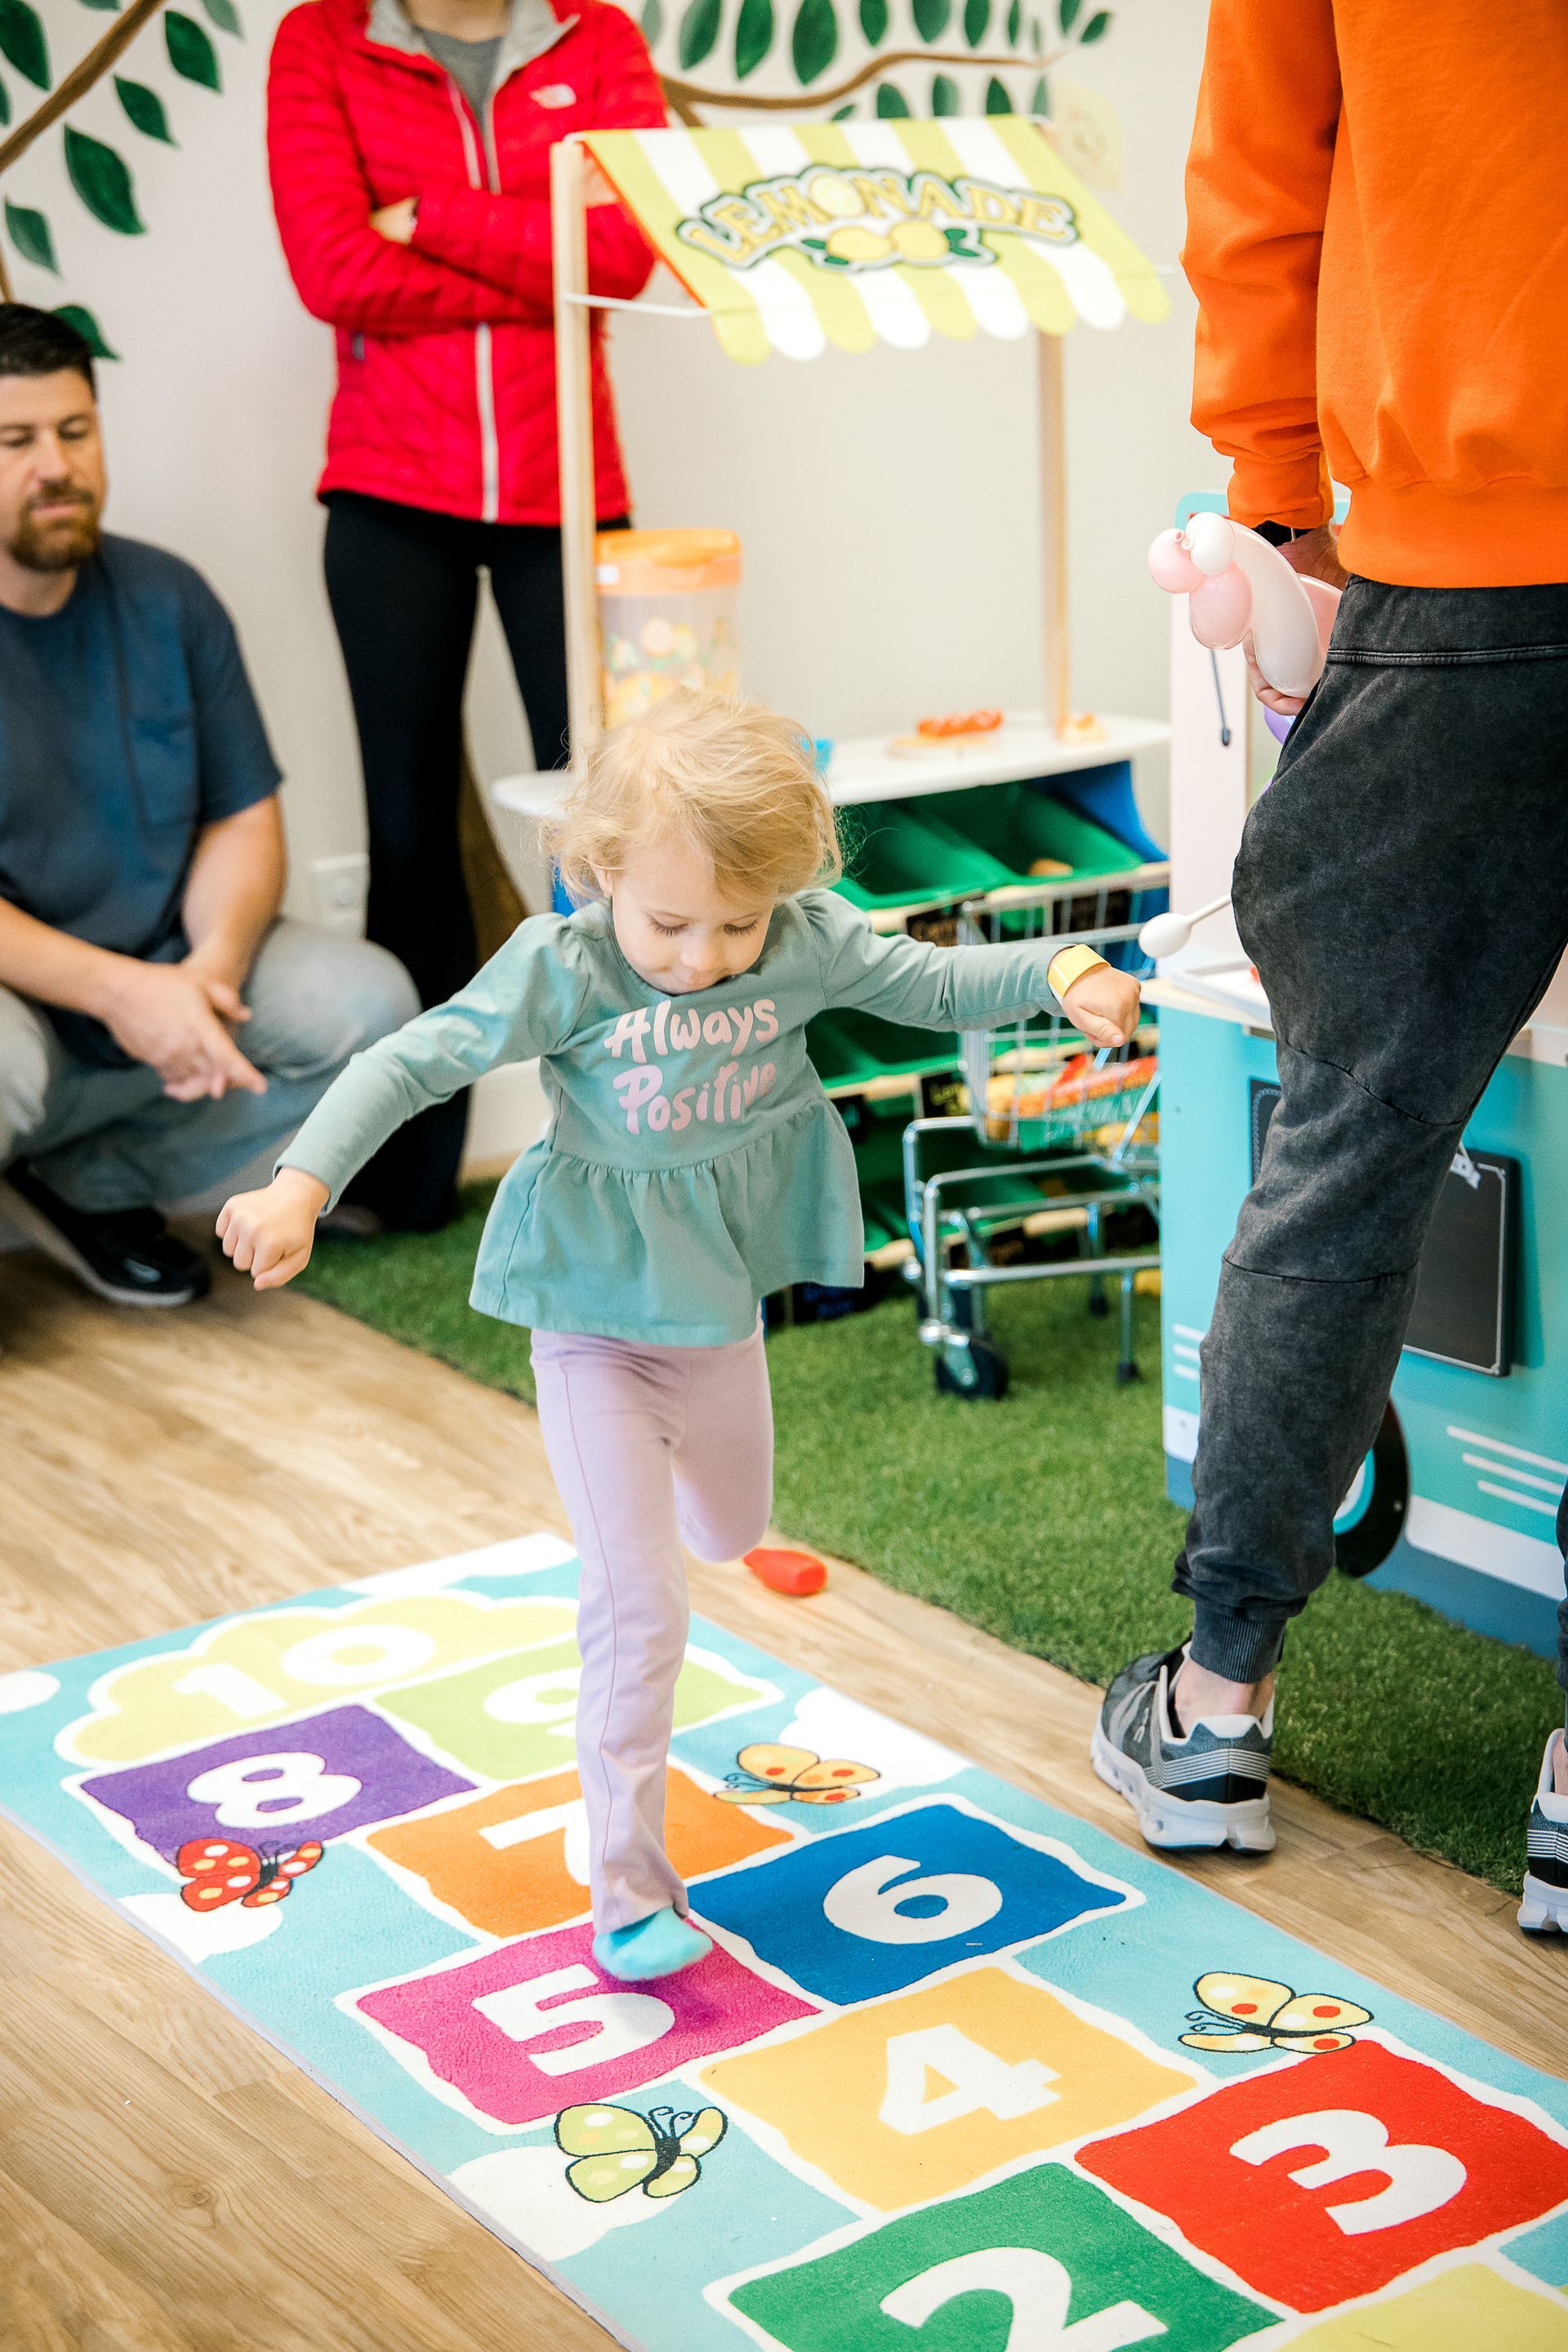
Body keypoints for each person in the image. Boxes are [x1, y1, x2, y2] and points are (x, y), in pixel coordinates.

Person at [217, 689, 1143, 1977]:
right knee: (639, 1606)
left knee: (732, 1528)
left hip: (715, 1313)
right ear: (598, 871)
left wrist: (1062, 967)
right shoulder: (567, 965)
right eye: (669, 922)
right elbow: (408, 1061)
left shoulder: (797, 942)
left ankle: (688, 1549)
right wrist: (298, 1186)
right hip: (588, 1317)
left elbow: (928, 978)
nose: (704, 957)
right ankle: (628, 1891)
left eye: (735, 924)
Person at [1091, 0, 1568, 1932]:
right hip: (1456, 541)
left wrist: (1279, 488)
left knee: (1347, 1143)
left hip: (1460, 564)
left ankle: (1213, 1705)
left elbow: (1259, 176)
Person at [266, 0, 666, 1233]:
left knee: (620, 823)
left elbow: (630, 255)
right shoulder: (321, 43)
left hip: (566, 492)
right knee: (410, 835)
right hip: (391, 495)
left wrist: (433, 218)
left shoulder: (594, 40)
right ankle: (404, 1181)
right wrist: (536, 271)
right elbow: (334, 270)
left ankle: (642, 1142)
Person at [0, 304, 418, 1309]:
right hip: (30, 1010)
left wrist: (210, 975)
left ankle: (89, 1184)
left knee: (372, 1012)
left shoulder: (168, 599)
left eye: (74, 430)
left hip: (172, 976)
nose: (54, 465)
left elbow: (241, 814)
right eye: (15, 441)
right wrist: (123, 995)